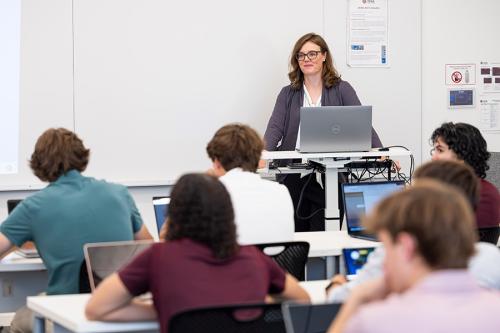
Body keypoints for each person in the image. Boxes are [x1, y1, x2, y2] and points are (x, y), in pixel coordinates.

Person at [85, 173, 309, 333]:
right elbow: (301, 299)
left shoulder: (158, 257)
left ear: (173, 214)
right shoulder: (252, 257)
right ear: (227, 213)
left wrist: (163, 309)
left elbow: (98, 308)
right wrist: (250, 302)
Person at [0, 128, 152, 333]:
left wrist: (22, 241)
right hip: (121, 308)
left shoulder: (33, 207)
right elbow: (147, 245)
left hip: (66, 312)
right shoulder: (120, 193)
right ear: (81, 155)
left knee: (18, 320)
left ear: (38, 164)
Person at [328, 180, 500, 333]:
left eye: (387, 249)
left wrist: (357, 298)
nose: (384, 263)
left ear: (406, 247)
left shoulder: (376, 321)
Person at [264, 32, 382, 232]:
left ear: (324, 56)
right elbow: (274, 128)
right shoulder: (288, 93)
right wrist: (261, 154)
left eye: (312, 53)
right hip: (293, 174)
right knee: (296, 236)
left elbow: (361, 125)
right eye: (301, 55)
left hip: (332, 174)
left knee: (327, 234)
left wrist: (380, 152)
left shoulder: (342, 89)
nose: (306, 59)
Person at [206, 123, 294, 245]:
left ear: (216, 162)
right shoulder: (282, 192)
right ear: (258, 159)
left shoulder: (210, 195)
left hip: (232, 263)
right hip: (273, 263)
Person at [431, 122, 499, 228]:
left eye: (440, 150)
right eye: (434, 150)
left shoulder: (483, 194)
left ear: (462, 156)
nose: (434, 157)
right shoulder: (450, 189)